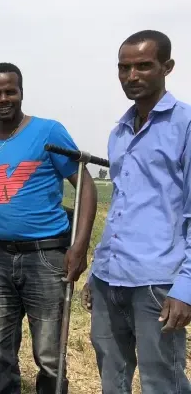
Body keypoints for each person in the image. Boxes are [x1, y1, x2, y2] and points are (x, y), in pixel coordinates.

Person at [0, 62, 97, 394]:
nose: (3, 98)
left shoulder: (48, 131)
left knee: (50, 354)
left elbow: (84, 185)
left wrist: (79, 248)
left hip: (46, 256)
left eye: (10, 91)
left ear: (21, 92)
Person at [81, 30, 191, 393]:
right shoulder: (120, 131)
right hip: (110, 277)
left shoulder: (185, 126)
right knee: (111, 374)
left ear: (167, 67)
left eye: (144, 66)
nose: (132, 75)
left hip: (157, 281)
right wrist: (96, 272)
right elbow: (121, 209)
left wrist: (186, 287)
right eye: (124, 67)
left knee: (163, 379)